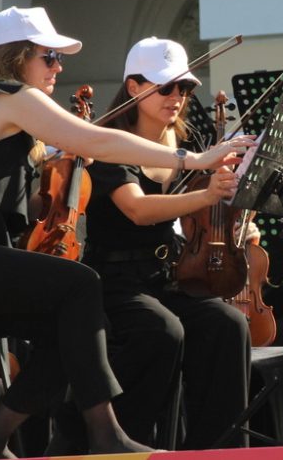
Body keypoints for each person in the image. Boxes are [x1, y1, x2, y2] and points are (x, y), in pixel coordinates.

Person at [0, 7, 243, 460]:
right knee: (81, 284)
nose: (59, 67)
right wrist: (192, 161)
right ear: (18, 57)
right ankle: (104, 433)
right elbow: (95, 138)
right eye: (49, 57)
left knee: (66, 324)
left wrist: (61, 176)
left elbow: (28, 206)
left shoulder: (10, 116)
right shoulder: (8, 96)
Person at [52, 37, 254, 451]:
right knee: (161, 331)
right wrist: (207, 195)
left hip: (170, 276)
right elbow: (137, 209)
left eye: (184, 89)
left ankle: (214, 450)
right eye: (165, 87)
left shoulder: (190, 137)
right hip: (117, 280)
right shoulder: (107, 140)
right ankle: (119, 443)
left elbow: (203, 211)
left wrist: (237, 217)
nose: (176, 97)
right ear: (133, 87)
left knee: (226, 325)